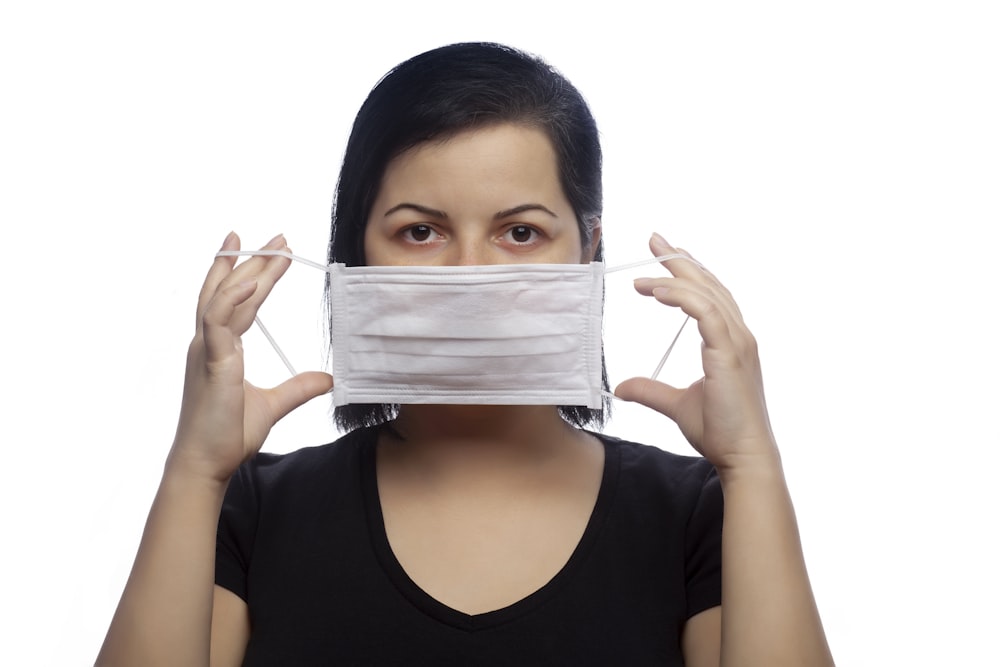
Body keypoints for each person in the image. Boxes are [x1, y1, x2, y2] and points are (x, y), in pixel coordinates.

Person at [97, 43, 834, 666]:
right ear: (356, 254)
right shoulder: (251, 509)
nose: (470, 275)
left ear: (589, 251)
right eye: (421, 231)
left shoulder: (698, 513)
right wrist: (195, 469)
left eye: (520, 233)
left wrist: (753, 463)